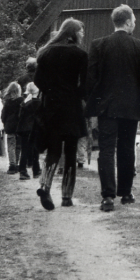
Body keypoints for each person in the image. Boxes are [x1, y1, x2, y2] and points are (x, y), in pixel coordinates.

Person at [86, 5, 140, 212]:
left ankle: (107, 196)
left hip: (107, 108)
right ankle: (125, 192)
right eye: (133, 20)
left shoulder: (98, 45)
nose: (135, 23)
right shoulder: (138, 46)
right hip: (130, 107)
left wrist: (92, 109)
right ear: (127, 22)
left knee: (106, 150)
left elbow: (91, 80)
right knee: (126, 149)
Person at [34, 18, 89, 210]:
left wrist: (52, 92)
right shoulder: (80, 55)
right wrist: (77, 95)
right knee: (71, 151)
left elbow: (38, 81)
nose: (82, 34)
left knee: (54, 149)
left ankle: (45, 185)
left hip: (51, 107)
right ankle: (66, 196)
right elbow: (85, 84)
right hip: (71, 107)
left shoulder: (46, 53)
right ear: (73, 32)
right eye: (81, 31)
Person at [17, 83, 42, 180]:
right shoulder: (39, 103)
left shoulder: (25, 103)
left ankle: (23, 171)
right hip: (35, 129)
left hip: (24, 129)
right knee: (35, 150)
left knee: (24, 150)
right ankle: (36, 170)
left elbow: (20, 116)